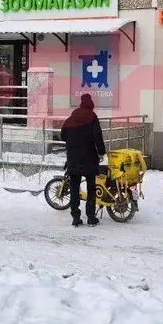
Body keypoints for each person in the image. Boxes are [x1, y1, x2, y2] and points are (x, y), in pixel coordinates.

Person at [60, 94, 106, 227]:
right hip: (89, 158)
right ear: (91, 105)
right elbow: (98, 136)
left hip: (73, 159)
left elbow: (63, 135)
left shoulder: (71, 118)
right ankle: (91, 217)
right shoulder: (92, 117)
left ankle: (75, 217)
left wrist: (73, 142)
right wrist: (101, 152)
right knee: (91, 187)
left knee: (74, 187)